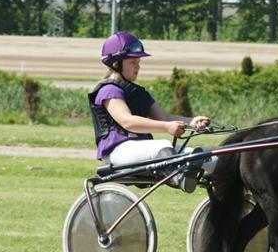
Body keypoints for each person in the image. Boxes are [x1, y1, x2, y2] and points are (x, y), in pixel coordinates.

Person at [89, 31, 215, 189]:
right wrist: (167, 128)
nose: (138, 67)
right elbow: (128, 122)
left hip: (144, 150)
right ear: (116, 64)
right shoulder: (109, 90)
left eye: (139, 62)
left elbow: (165, 117)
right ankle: (179, 178)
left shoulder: (139, 93)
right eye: (132, 63)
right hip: (119, 152)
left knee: (206, 156)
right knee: (162, 147)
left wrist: (192, 122)